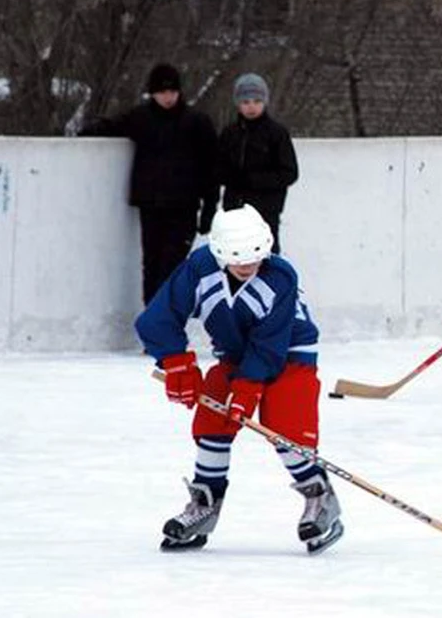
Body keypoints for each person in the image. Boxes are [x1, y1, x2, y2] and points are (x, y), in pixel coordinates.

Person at [134, 204, 343, 554]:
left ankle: (320, 497)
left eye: (255, 257)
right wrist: (176, 363)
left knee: (285, 424)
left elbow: (270, 342)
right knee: (212, 419)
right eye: (238, 259)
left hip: (290, 351)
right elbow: (157, 318)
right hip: (233, 355)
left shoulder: (280, 277)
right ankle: (205, 505)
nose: (248, 266)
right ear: (219, 252)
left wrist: (248, 387)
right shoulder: (199, 269)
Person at [81, 62, 219, 304]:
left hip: (184, 206)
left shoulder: (197, 123)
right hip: (152, 204)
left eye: (172, 92)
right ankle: (154, 323)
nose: (167, 97)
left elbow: (211, 168)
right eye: (162, 92)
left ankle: (165, 321)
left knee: (172, 266)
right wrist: (87, 131)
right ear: (153, 93)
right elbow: (113, 125)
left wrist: (209, 208)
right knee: (152, 264)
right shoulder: (141, 118)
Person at [215, 73, 298, 253]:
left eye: (256, 101)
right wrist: (231, 178)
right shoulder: (230, 133)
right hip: (235, 210)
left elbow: (289, 172)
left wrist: (255, 180)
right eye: (246, 102)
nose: (251, 107)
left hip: (266, 210)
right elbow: (217, 167)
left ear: (264, 102)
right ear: (238, 104)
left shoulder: (277, 133)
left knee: (267, 257)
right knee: (235, 256)